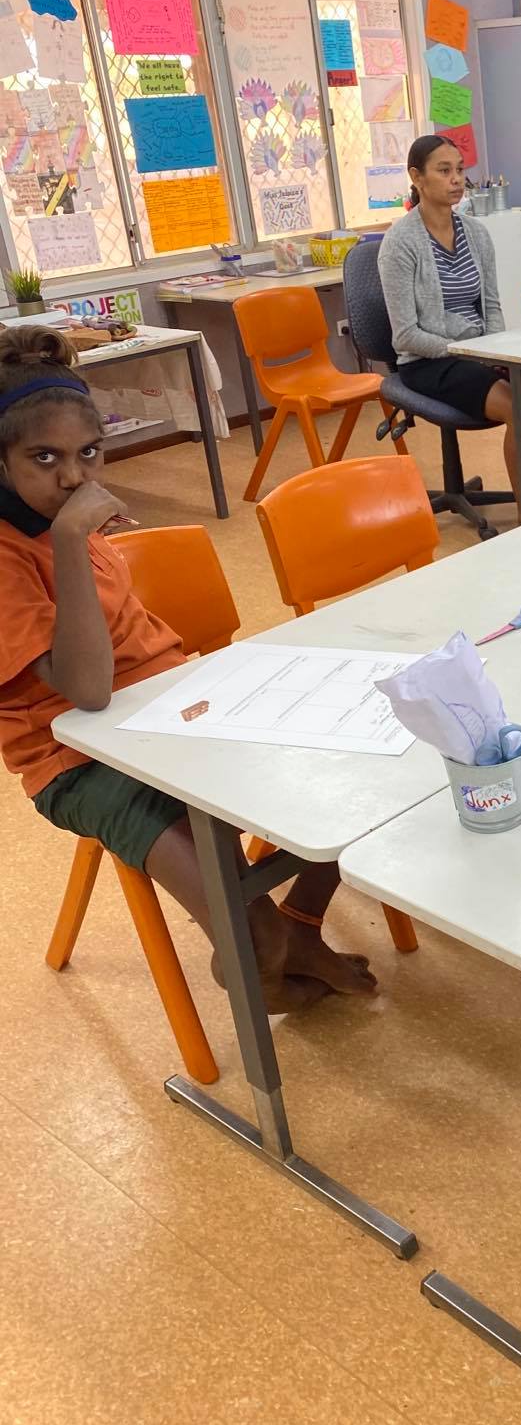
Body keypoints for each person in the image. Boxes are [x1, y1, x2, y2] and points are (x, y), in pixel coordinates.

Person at [0, 326, 375, 1014]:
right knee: (247, 938)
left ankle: (299, 927)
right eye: (43, 458)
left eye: (88, 453)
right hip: (77, 760)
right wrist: (69, 538)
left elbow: (139, 647)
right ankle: (268, 966)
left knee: (355, 770)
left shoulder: (66, 521)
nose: (73, 477)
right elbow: (86, 694)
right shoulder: (23, 548)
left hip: (170, 707)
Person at [379, 134, 521, 518]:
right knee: (520, 408)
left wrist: (498, 350)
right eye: (444, 171)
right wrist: (471, 352)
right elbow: (406, 335)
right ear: (416, 177)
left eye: (460, 171)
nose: (456, 181)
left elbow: (492, 306)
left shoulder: (477, 234)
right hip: (428, 360)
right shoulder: (399, 243)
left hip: (481, 350)